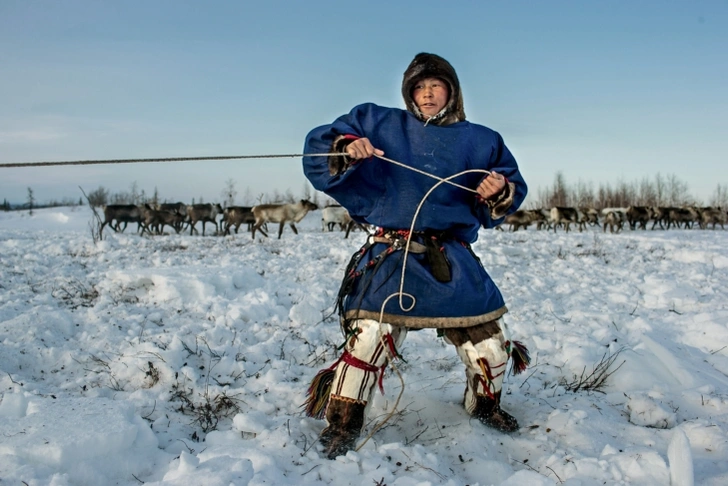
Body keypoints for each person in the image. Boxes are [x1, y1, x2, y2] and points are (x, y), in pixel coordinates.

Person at [301, 52, 529, 459]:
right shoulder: (379, 123)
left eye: (436, 86)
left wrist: (498, 190)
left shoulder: (482, 140)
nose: (427, 93)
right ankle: (343, 421)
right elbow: (323, 144)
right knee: (370, 338)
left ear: (452, 92)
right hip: (392, 255)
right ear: (409, 93)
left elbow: (511, 184)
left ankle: (484, 405)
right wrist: (349, 147)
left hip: (451, 258)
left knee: (491, 347)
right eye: (420, 87)